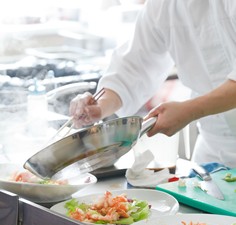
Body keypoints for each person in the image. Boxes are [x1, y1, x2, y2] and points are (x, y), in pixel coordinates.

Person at [69, 0, 236, 168]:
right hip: (213, 149)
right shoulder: (163, 5)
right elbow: (132, 68)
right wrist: (100, 107)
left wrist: (189, 110)